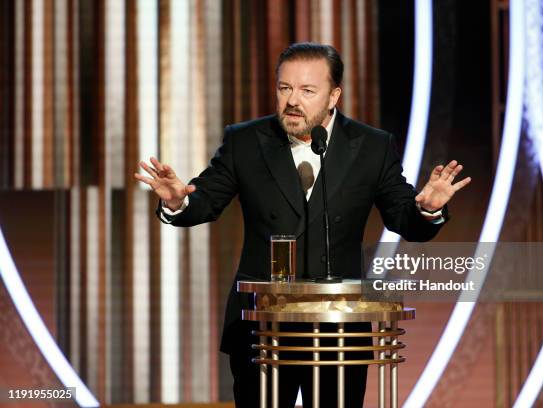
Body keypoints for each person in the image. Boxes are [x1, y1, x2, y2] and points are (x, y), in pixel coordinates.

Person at [135, 42, 470, 407]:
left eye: (307, 91)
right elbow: (205, 202)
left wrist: (428, 209)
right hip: (261, 326)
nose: (292, 100)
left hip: (338, 329)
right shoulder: (246, 141)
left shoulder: (371, 146)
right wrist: (176, 200)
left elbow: (404, 219)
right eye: (285, 88)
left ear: (333, 95)